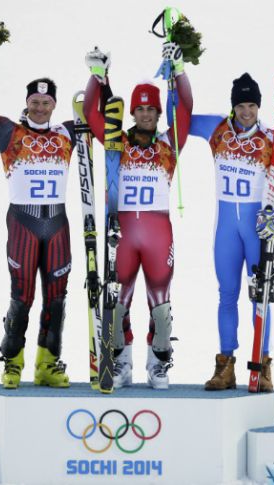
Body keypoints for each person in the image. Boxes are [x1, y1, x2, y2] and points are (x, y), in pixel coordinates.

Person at [0, 40, 77, 389]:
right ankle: (12, 362)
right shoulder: (9, 132)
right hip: (23, 224)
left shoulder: (67, 132)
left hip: (57, 224)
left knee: (56, 299)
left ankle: (47, 364)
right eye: (35, 102)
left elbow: (101, 119)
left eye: (46, 103)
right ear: (27, 102)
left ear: (54, 105)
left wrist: (100, 78)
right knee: (22, 296)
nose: (40, 108)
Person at [82, 43, 192, 389]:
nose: (146, 114)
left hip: (158, 233)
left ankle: (158, 364)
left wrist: (179, 70)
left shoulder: (169, 145)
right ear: (132, 112)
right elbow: (90, 112)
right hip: (124, 232)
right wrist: (98, 76)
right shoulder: (117, 142)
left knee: (161, 309)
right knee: (117, 304)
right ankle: (122, 361)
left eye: (151, 109)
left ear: (159, 113)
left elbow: (186, 108)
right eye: (140, 109)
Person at [188, 73, 274, 391]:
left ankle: (263, 366)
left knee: (261, 296)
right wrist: (177, 75)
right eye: (241, 105)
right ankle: (225, 366)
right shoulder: (217, 128)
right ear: (233, 106)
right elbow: (179, 120)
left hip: (256, 230)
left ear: (258, 107)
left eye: (252, 105)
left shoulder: (270, 137)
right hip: (226, 230)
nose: (246, 112)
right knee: (227, 295)